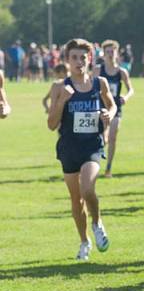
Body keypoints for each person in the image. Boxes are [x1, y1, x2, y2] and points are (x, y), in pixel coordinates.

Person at [46, 39, 116, 260]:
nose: (79, 61)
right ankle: (84, 242)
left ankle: (97, 224)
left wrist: (110, 114)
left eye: (83, 57)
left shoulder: (99, 83)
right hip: (69, 147)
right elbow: (51, 124)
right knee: (76, 199)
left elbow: (112, 104)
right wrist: (61, 102)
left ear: (90, 59)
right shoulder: (59, 87)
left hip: (92, 145)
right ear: (66, 61)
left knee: (87, 188)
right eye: (74, 57)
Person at [98, 40, 134, 178]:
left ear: (117, 53)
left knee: (113, 137)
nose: (110, 54)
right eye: (107, 52)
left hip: (116, 108)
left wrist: (126, 97)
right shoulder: (98, 70)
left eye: (112, 51)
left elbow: (131, 89)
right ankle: (95, 161)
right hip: (100, 108)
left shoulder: (121, 72)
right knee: (103, 139)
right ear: (103, 53)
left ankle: (108, 168)